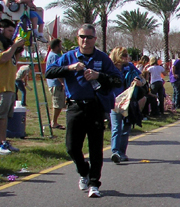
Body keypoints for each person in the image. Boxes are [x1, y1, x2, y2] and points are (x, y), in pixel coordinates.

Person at [45, 24, 122, 197]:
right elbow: (49, 72)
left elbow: (117, 80)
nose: (85, 40)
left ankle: (94, 183)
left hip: (95, 106)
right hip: (74, 106)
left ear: (95, 39)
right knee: (72, 147)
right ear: (77, 38)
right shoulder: (69, 56)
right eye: (82, 37)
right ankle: (83, 171)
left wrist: (98, 75)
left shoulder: (102, 58)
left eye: (89, 37)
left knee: (96, 147)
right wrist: (69, 68)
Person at [108, 47, 144, 163]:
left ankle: (122, 152)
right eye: (123, 55)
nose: (126, 57)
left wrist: (140, 83)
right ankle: (115, 151)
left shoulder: (130, 67)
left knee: (126, 127)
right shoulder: (109, 67)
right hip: (115, 101)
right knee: (116, 127)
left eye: (126, 55)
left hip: (128, 101)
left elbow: (143, 80)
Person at [0, 19, 26, 154]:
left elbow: (13, 60)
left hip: (9, 86)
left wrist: (19, 46)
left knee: (4, 117)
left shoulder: (9, 44)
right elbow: (3, 58)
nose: (11, 34)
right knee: (1, 116)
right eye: (9, 31)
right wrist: (14, 46)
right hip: (1, 87)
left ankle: (3, 142)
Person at [46, 38, 65, 129]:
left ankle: (54, 121)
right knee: (57, 104)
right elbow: (56, 71)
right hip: (56, 84)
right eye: (60, 45)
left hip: (55, 83)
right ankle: (54, 122)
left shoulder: (55, 55)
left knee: (59, 103)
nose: (61, 47)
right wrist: (62, 83)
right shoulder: (54, 56)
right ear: (57, 46)